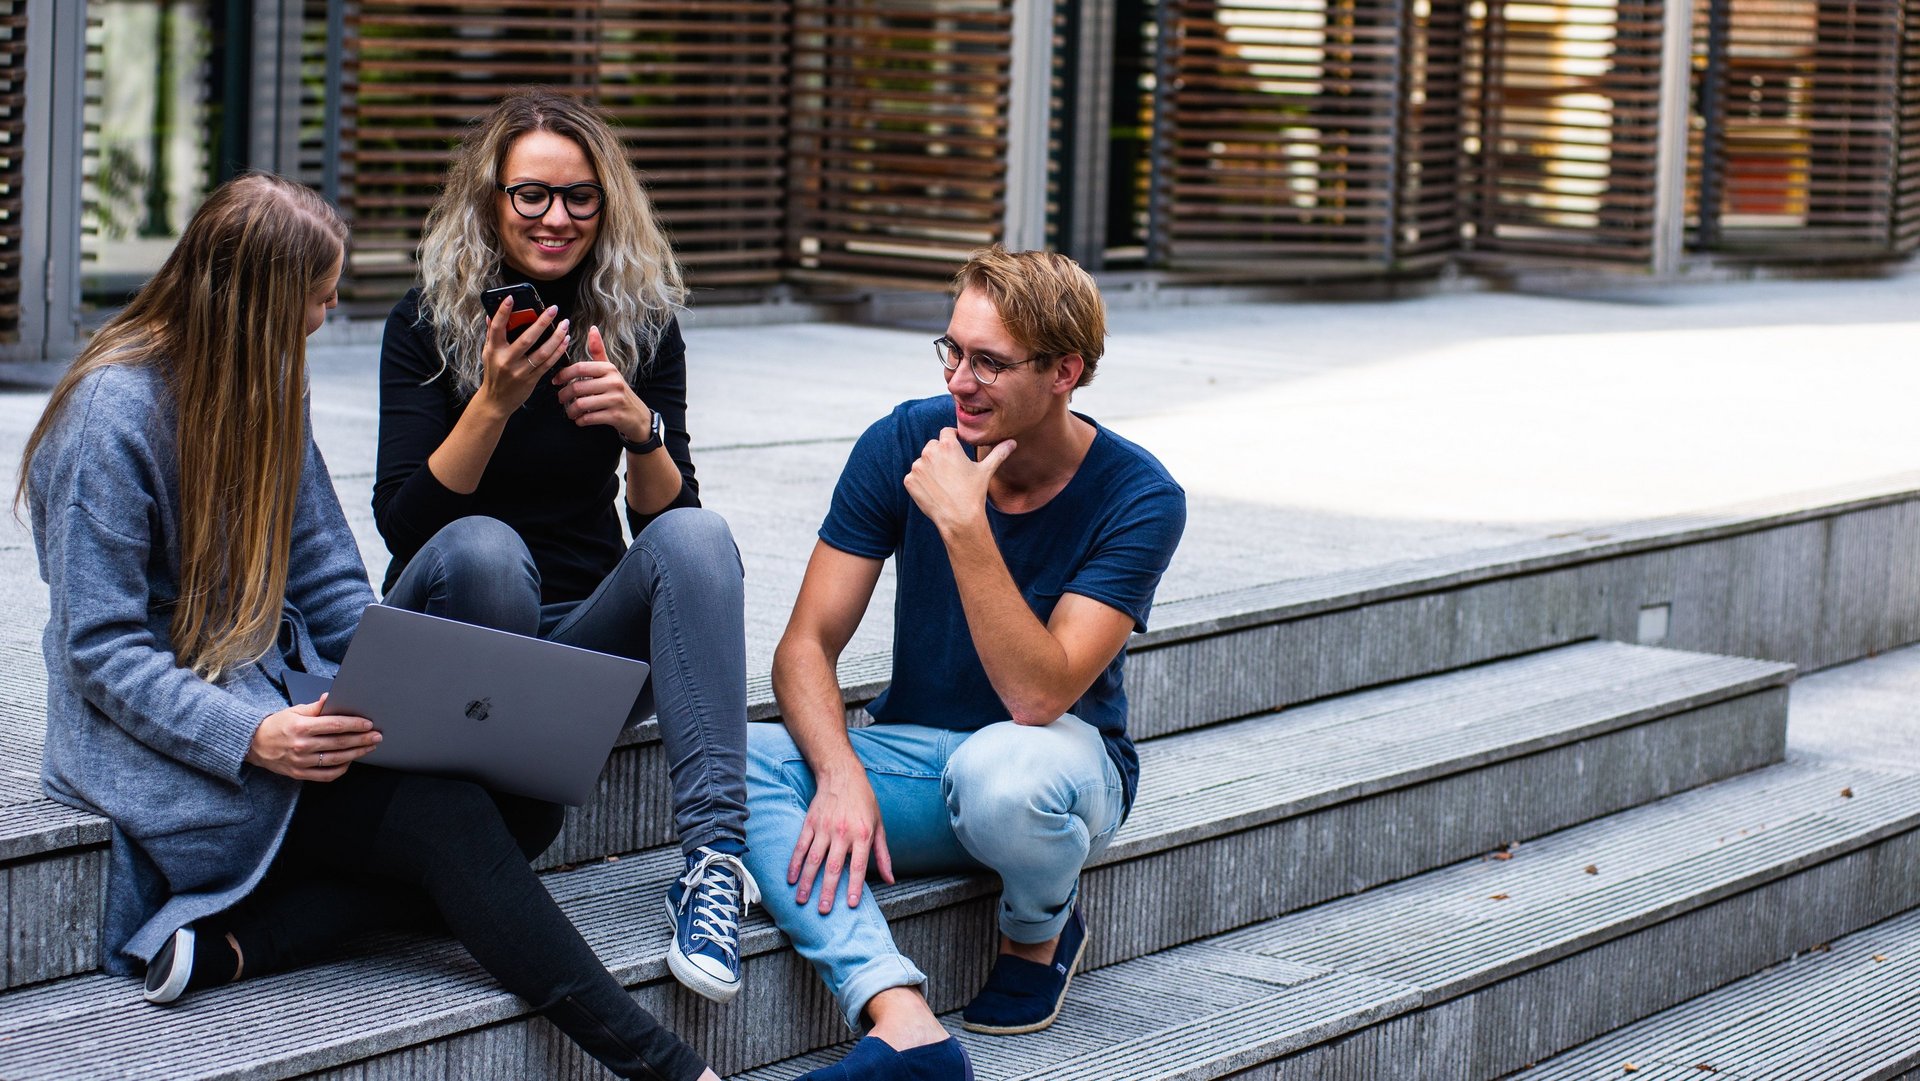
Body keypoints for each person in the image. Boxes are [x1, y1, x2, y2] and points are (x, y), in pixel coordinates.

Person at [18, 174, 720, 1081]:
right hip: (172, 741)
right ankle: (668, 1067)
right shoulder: (108, 415)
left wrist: (409, 685)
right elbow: (100, 649)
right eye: (318, 296)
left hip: (282, 701)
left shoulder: (266, 383)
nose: (328, 312)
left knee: (526, 807)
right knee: (452, 820)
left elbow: (331, 583)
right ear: (257, 301)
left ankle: (249, 940)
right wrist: (254, 735)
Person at [745, 246, 1188, 1079]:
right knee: (739, 760)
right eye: (952, 350)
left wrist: (965, 525)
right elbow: (804, 645)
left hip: (1056, 762)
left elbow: (1039, 692)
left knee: (1004, 773)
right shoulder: (906, 439)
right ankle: (898, 1014)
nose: (960, 379)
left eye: (989, 361)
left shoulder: (1140, 496)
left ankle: (1039, 929)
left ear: (1065, 371)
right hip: (915, 755)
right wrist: (839, 774)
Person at [372, 89, 754, 1004]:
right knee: (487, 550)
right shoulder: (425, 323)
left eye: (580, 197)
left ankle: (713, 867)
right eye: (531, 195)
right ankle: (473, 832)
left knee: (702, 538)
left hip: (579, 649)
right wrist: (494, 401)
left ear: (607, 203)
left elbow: (671, 532)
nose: (556, 218)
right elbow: (405, 525)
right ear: (491, 200)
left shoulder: (640, 321)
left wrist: (640, 429)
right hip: (458, 629)